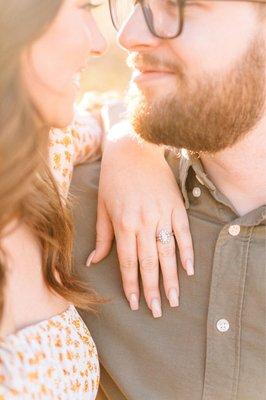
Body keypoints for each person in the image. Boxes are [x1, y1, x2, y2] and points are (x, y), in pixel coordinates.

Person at [72, 1, 266, 399]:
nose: (128, 36)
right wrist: (125, 136)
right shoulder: (73, 210)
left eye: (178, 6)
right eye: (136, 4)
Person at [0, 0, 192, 397]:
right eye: (85, 8)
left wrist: (132, 149)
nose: (100, 43)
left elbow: (106, 112)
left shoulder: (44, 158)